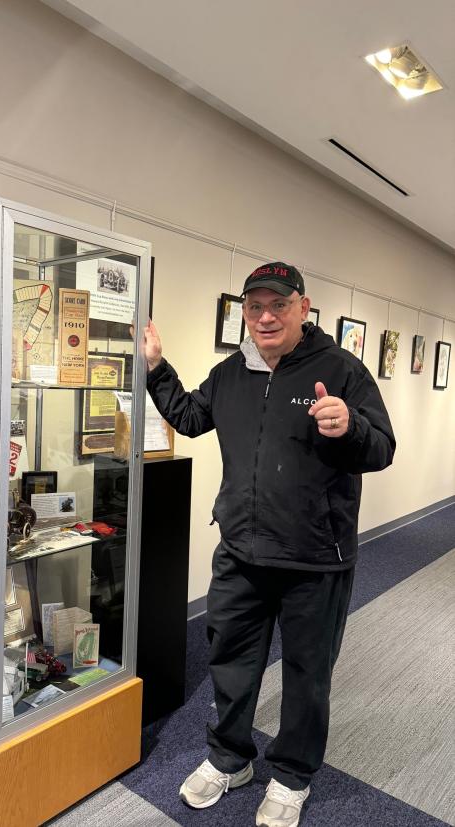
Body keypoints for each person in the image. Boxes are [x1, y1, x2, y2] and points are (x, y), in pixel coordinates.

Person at [143, 261, 395, 827]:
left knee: (307, 675)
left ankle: (291, 775)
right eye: (254, 306)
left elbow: (382, 447)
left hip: (316, 558)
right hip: (240, 552)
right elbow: (189, 417)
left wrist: (351, 426)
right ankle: (229, 758)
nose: (265, 317)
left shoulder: (342, 370)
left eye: (278, 305)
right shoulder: (231, 373)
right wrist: (156, 368)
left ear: (303, 307)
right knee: (230, 663)